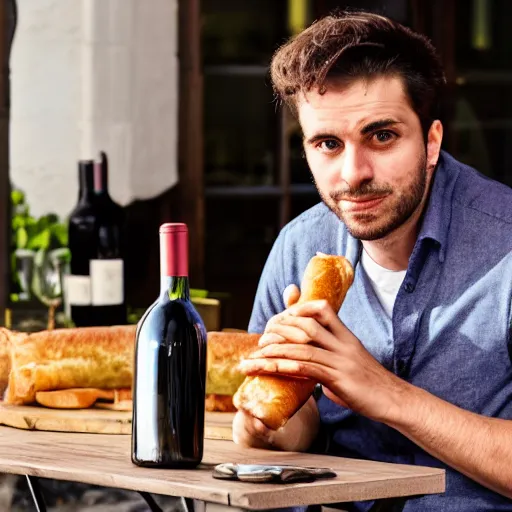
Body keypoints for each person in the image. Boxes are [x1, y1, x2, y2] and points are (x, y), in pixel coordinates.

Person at [232, 10, 512, 512]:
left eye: (381, 136)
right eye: (327, 144)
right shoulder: (298, 247)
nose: (353, 173)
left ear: (431, 142)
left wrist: (386, 394)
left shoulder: (505, 244)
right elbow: (295, 436)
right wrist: (264, 422)